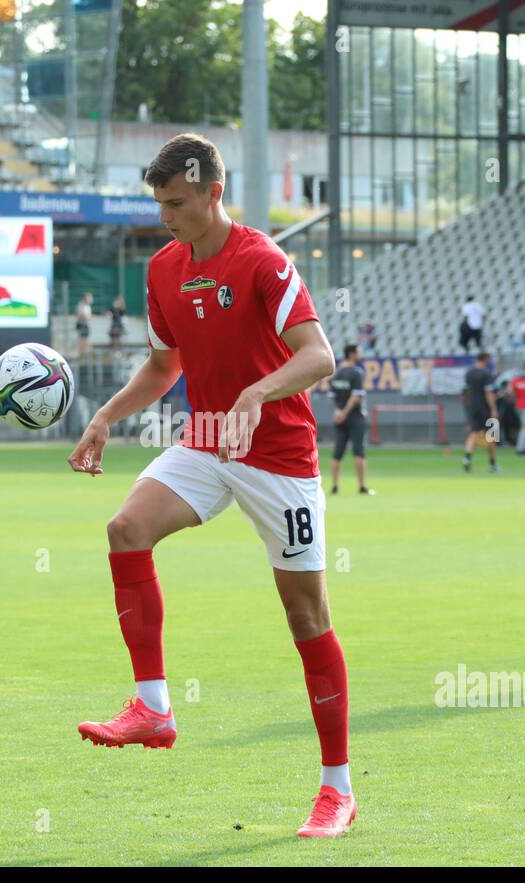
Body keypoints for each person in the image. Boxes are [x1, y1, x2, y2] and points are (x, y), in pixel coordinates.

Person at [67, 133, 355, 838]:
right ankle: (154, 708)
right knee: (125, 529)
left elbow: (320, 354)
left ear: (212, 193)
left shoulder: (263, 259)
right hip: (206, 440)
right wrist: (106, 416)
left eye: (176, 203)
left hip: (279, 456)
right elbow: (165, 367)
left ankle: (337, 789)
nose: (165, 217)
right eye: (159, 204)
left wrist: (261, 391)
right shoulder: (164, 269)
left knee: (306, 620)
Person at [328, 343, 373, 496]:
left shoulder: (338, 373)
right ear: (352, 354)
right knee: (359, 452)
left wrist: (339, 412)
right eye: (359, 352)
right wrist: (345, 412)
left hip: (339, 417)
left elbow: (333, 396)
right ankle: (362, 486)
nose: (360, 354)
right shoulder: (356, 373)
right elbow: (356, 396)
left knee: (337, 453)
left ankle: (334, 486)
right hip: (354, 416)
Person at [461, 351, 500, 473]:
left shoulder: (469, 373)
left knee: (473, 433)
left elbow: (464, 393)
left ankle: (467, 458)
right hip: (484, 408)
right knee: (491, 436)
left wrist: (467, 406)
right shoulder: (486, 374)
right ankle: (492, 465)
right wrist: (493, 408)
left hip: (471, 407)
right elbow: (488, 393)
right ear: (485, 359)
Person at [75, 292, 93, 363]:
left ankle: (85, 355)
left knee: (86, 340)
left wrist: (87, 317)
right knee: (82, 340)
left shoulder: (88, 306)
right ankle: (81, 355)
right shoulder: (81, 305)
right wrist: (86, 317)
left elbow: (88, 316)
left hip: (86, 324)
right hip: (82, 324)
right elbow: (81, 315)